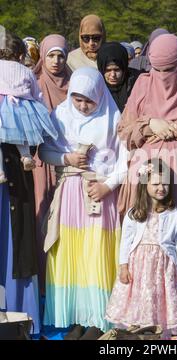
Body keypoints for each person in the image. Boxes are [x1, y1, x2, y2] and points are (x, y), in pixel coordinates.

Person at [118, 33, 177, 337]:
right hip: (147, 175)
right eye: (158, 70)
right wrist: (148, 125)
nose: (163, 78)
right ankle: (144, 314)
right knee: (144, 241)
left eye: (169, 69)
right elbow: (124, 129)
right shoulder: (143, 84)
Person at [39, 67, 127, 340]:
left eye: (89, 100)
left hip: (99, 196)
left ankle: (98, 320)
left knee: (96, 254)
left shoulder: (113, 118)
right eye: (78, 99)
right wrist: (66, 159)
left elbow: (125, 161)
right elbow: (44, 150)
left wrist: (107, 186)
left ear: (99, 95)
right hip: (70, 196)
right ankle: (75, 316)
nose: (83, 105)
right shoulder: (61, 115)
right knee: (72, 254)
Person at [106, 158, 177, 337]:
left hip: (164, 267)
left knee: (160, 298)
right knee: (139, 298)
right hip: (138, 266)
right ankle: (137, 333)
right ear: (145, 184)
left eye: (165, 184)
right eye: (155, 183)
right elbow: (126, 241)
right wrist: (123, 266)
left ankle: (158, 333)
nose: (161, 188)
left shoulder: (174, 214)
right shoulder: (134, 213)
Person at [0, 31, 51, 335]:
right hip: (18, 165)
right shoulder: (25, 75)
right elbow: (37, 108)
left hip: (15, 181)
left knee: (14, 240)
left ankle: (16, 311)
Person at [33, 34, 72, 295]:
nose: (56, 61)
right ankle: (42, 287)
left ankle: (63, 283)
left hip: (69, 165)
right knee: (42, 220)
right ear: (42, 57)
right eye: (51, 55)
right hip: (39, 163)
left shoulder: (76, 84)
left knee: (67, 225)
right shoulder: (33, 85)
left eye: (61, 55)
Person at [0, 33, 58, 184]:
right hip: (22, 108)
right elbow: (37, 94)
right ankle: (25, 156)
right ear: (21, 55)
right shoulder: (26, 71)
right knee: (22, 134)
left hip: (2, 107)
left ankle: (0, 170)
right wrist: (43, 111)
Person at [97, 41, 140, 112]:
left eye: (117, 70)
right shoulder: (97, 87)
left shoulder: (136, 83)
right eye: (108, 70)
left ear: (124, 68)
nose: (113, 75)